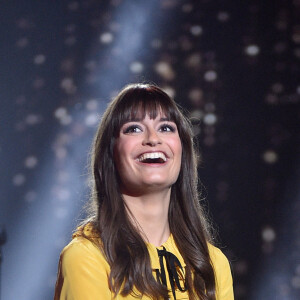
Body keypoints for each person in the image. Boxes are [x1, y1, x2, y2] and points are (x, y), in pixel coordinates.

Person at [54, 83, 234, 300]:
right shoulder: (86, 256)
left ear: (183, 151)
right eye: (134, 129)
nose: (153, 139)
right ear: (111, 154)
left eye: (166, 127)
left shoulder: (213, 264)